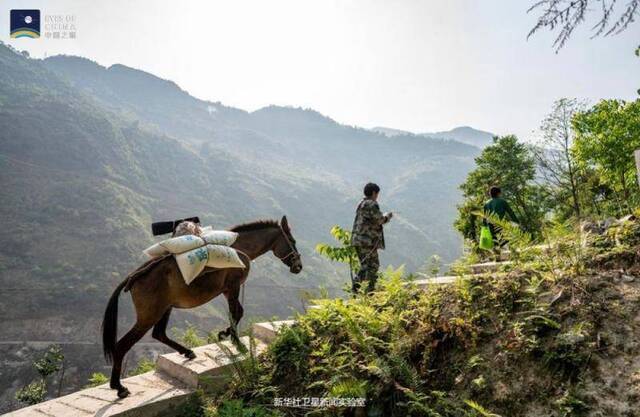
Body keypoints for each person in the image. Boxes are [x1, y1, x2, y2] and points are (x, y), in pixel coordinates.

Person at [350, 182, 392, 293]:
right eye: (377, 194)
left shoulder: (362, 203)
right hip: (366, 242)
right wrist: (387, 216)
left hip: (358, 241)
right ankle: (369, 292)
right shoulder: (371, 204)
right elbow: (379, 220)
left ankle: (357, 288)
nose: (377, 196)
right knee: (373, 266)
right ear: (374, 193)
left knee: (365, 266)